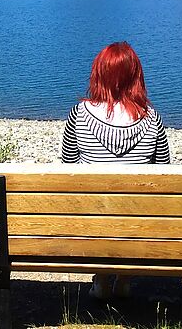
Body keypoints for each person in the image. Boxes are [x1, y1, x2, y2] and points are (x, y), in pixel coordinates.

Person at [61, 41, 170, 299]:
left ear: (99, 75)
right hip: (137, 225)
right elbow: (165, 174)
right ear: (136, 77)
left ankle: (101, 280)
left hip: (92, 223)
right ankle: (123, 278)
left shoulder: (78, 115)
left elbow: (67, 171)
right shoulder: (152, 119)